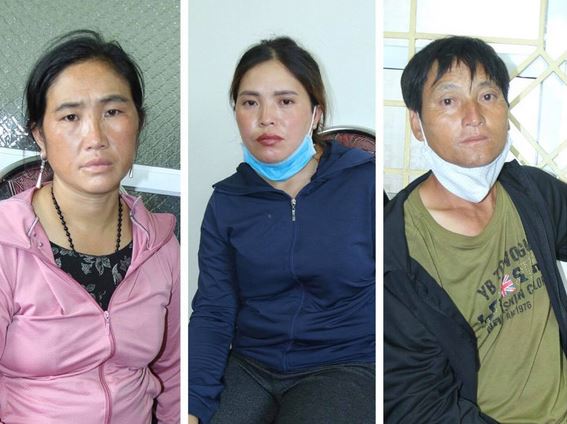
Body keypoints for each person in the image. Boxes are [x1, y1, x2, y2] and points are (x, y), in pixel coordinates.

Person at [189, 36, 375, 424]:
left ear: (316, 113)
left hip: (344, 364)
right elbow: (213, 311)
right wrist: (192, 405)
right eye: (250, 102)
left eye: (285, 101)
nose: (266, 118)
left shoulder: (364, 183)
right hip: (251, 364)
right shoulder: (226, 202)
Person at [384, 35, 567, 423]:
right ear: (416, 122)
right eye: (449, 101)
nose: (474, 116)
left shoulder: (532, 192)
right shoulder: (395, 252)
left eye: (487, 96)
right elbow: (418, 406)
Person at [0, 30, 180, 423]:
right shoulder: (6, 244)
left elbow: (175, 373)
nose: (95, 137)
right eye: (70, 117)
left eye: (112, 112)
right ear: (40, 136)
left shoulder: (161, 245)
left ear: (138, 123)